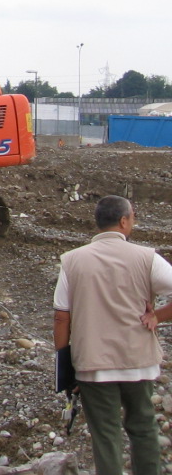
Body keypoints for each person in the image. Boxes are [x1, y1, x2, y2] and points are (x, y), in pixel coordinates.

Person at [52, 195, 172, 475]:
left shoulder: (72, 261)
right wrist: (158, 316)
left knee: (105, 435)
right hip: (138, 361)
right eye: (133, 218)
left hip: (93, 366)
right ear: (123, 221)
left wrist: (65, 367)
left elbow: (61, 316)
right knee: (143, 427)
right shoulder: (147, 257)